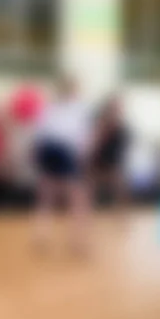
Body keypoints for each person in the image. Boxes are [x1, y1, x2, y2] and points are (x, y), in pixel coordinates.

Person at [31, 75, 94, 255]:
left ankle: (40, 235)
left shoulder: (49, 108)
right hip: (64, 151)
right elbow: (82, 138)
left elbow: (39, 135)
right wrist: (83, 160)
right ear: (73, 89)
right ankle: (78, 241)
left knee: (46, 197)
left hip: (47, 149)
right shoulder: (79, 108)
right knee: (78, 198)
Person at [90, 94, 131, 222]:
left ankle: (121, 215)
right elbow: (96, 142)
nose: (118, 110)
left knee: (119, 189)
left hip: (114, 162)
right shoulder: (101, 123)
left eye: (119, 107)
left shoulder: (121, 127)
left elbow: (123, 145)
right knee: (90, 188)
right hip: (100, 161)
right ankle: (89, 214)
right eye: (115, 107)